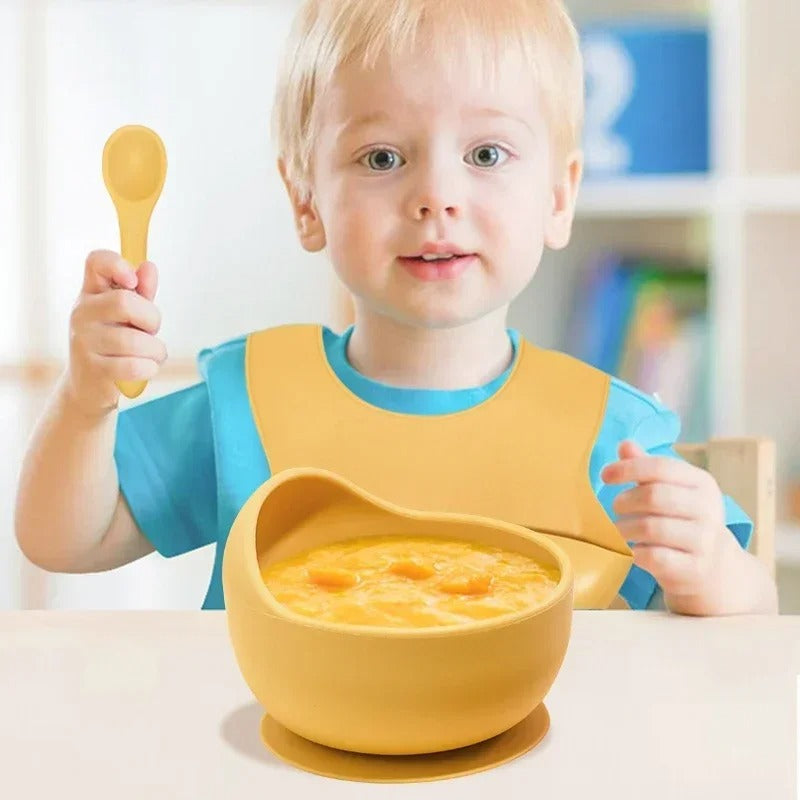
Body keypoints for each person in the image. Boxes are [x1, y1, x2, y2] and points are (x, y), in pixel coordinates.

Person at [14, 0, 778, 616]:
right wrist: (86, 401)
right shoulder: (243, 405)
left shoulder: (613, 440)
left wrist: (710, 569)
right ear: (305, 201)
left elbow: (752, 619)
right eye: (383, 158)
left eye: (485, 155)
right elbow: (61, 540)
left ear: (559, 195)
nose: (436, 197)